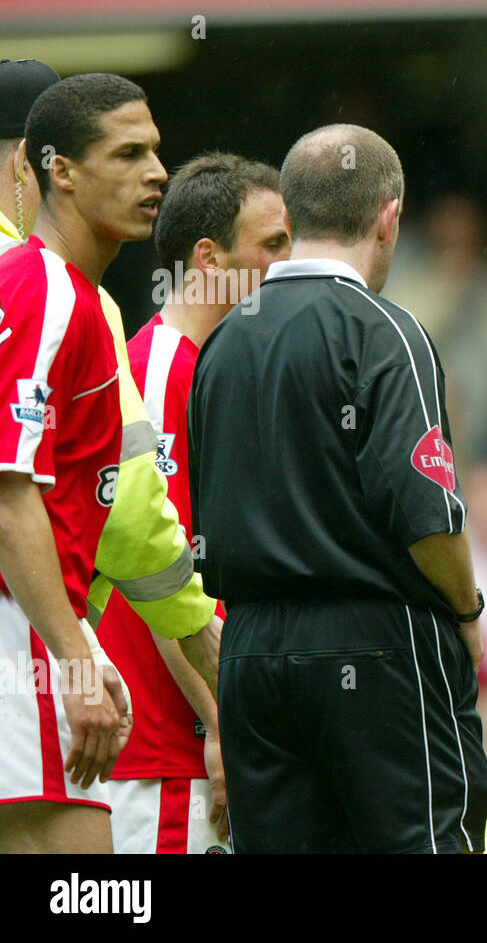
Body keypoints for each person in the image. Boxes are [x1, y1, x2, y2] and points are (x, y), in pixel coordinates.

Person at [189, 124, 487, 853]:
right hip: (375, 641)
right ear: (389, 218)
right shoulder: (386, 330)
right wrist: (467, 610)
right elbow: (426, 512)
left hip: (252, 653)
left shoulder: (224, 342)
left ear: (288, 218)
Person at [0, 63, 224, 853]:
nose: (157, 172)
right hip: (24, 638)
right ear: (55, 168)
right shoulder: (47, 291)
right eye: (127, 155)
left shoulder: (79, 302)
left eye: (156, 151)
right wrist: (74, 658)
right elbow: (8, 496)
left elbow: (130, 528)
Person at [95, 152, 289, 854]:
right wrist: (218, 723)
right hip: (168, 755)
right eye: (273, 244)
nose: (289, 262)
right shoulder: (156, 368)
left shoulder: (211, 369)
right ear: (210, 257)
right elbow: (158, 566)